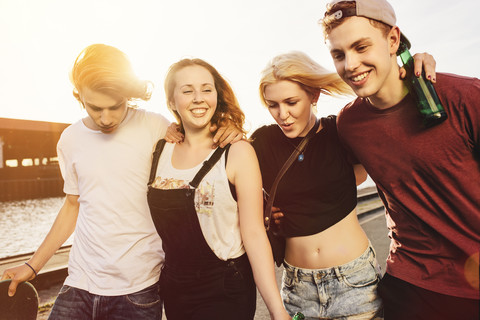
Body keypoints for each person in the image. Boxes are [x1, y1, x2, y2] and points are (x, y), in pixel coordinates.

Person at [0, 44, 241, 320]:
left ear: (128, 94)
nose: (106, 118)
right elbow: (71, 205)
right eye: (95, 108)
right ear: (79, 97)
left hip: (138, 291)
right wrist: (33, 266)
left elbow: (199, 143)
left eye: (115, 106)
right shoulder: (70, 139)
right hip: (79, 283)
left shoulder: (155, 127)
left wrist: (225, 129)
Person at [320, 0, 480, 319]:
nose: (350, 64)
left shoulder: (465, 97)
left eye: (361, 46)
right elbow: (341, 175)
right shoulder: (349, 124)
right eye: (338, 54)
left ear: (393, 40)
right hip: (414, 285)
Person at [147, 58, 290, 320]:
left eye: (206, 89)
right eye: (187, 90)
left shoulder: (237, 152)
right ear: (171, 102)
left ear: (216, 96)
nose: (199, 98)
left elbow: (254, 234)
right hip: (175, 289)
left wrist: (277, 311)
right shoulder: (159, 151)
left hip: (225, 289)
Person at [252, 51, 381, 319]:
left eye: (291, 102)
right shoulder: (262, 142)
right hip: (298, 289)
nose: (282, 114)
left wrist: (416, 67)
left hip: (354, 283)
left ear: (314, 96)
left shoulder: (341, 131)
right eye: (272, 104)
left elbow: (361, 174)